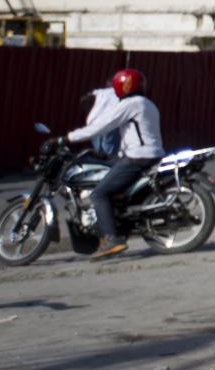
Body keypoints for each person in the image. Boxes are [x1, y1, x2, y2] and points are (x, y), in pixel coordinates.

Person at [65, 67, 164, 260]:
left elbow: (102, 126)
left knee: (99, 194)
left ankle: (111, 239)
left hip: (138, 157)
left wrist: (68, 138)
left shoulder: (130, 104)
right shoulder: (148, 103)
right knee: (112, 181)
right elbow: (135, 135)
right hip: (151, 154)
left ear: (121, 86)